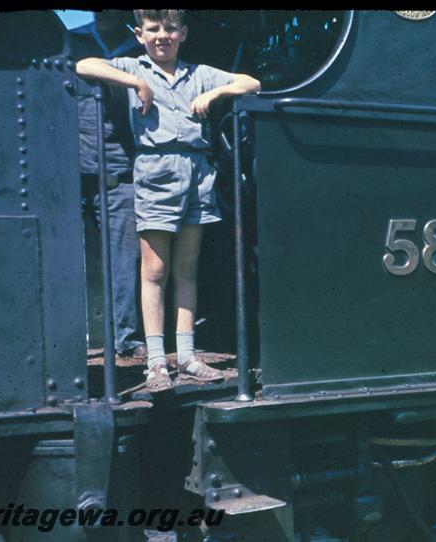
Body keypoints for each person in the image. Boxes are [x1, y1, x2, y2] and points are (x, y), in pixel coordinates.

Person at [76, 9, 261, 391]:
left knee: (186, 270)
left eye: (171, 29)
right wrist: (133, 83)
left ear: (184, 33)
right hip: (155, 173)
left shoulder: (200, 74)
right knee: (154, 272)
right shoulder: (134, 67)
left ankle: (188, 356)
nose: (163, 36)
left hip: (197, 175)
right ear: (139, 34)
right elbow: (84, 65)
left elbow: (251, 83)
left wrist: (217, 92)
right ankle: (157, 363)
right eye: (153, 29)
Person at [70, 11, 147, 361]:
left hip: (121, 174)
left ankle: (126, 339)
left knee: (125, 260)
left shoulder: (143, 48)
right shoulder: (69, 43)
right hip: (72, 175)